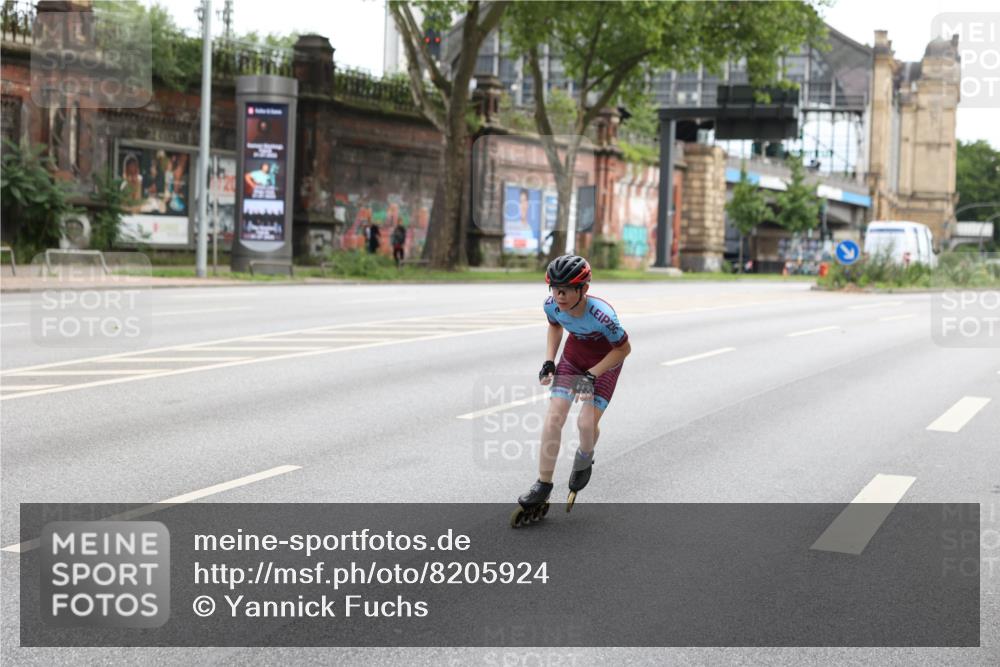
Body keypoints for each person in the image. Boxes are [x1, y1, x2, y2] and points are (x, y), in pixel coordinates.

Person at [511, 254, 632, 526]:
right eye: (554, 289)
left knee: (585, 423)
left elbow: (624, 349)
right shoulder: (551, 306)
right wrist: (549, 361)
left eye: (565, 290)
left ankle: (585, 457)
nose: (559, 296)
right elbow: (554, 327)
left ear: (584, 289)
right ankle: (543, 485)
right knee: (554, 417)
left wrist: (592, 375)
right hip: (573, 359)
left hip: (604, 362)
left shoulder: (604, 315)